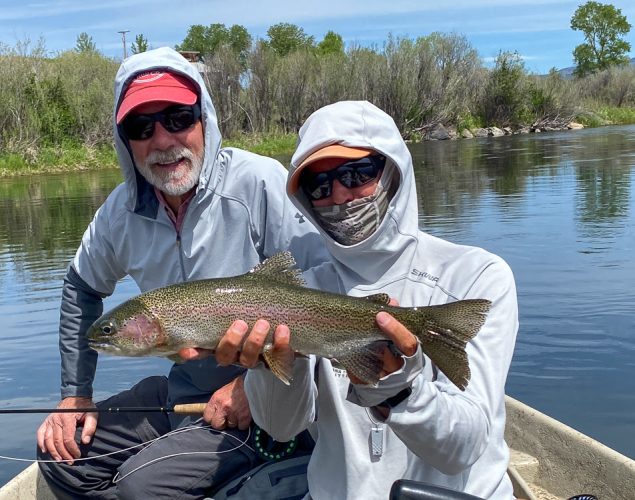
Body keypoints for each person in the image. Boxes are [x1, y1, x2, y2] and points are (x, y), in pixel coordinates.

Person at [35, 46, 326, 499]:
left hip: (268, 407)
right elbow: (80, 287)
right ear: (124, 141)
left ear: (203, 120)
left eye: (177, 118)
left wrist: (255, 387)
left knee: (139, 488)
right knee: (63, 457)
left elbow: (331, 291)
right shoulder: (119, 215)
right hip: (183, 394)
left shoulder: (259, 184)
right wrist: (76, 394)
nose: (163, 140)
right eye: (141, 127)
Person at [199, 101, 519, 499]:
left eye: (355, 173)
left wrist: (400, 389)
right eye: (319, 186)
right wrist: (270, 364)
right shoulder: (302, 292)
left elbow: (464, 450)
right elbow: (282, 428)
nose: (338, 195)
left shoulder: (475, 276)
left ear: (391, 169)